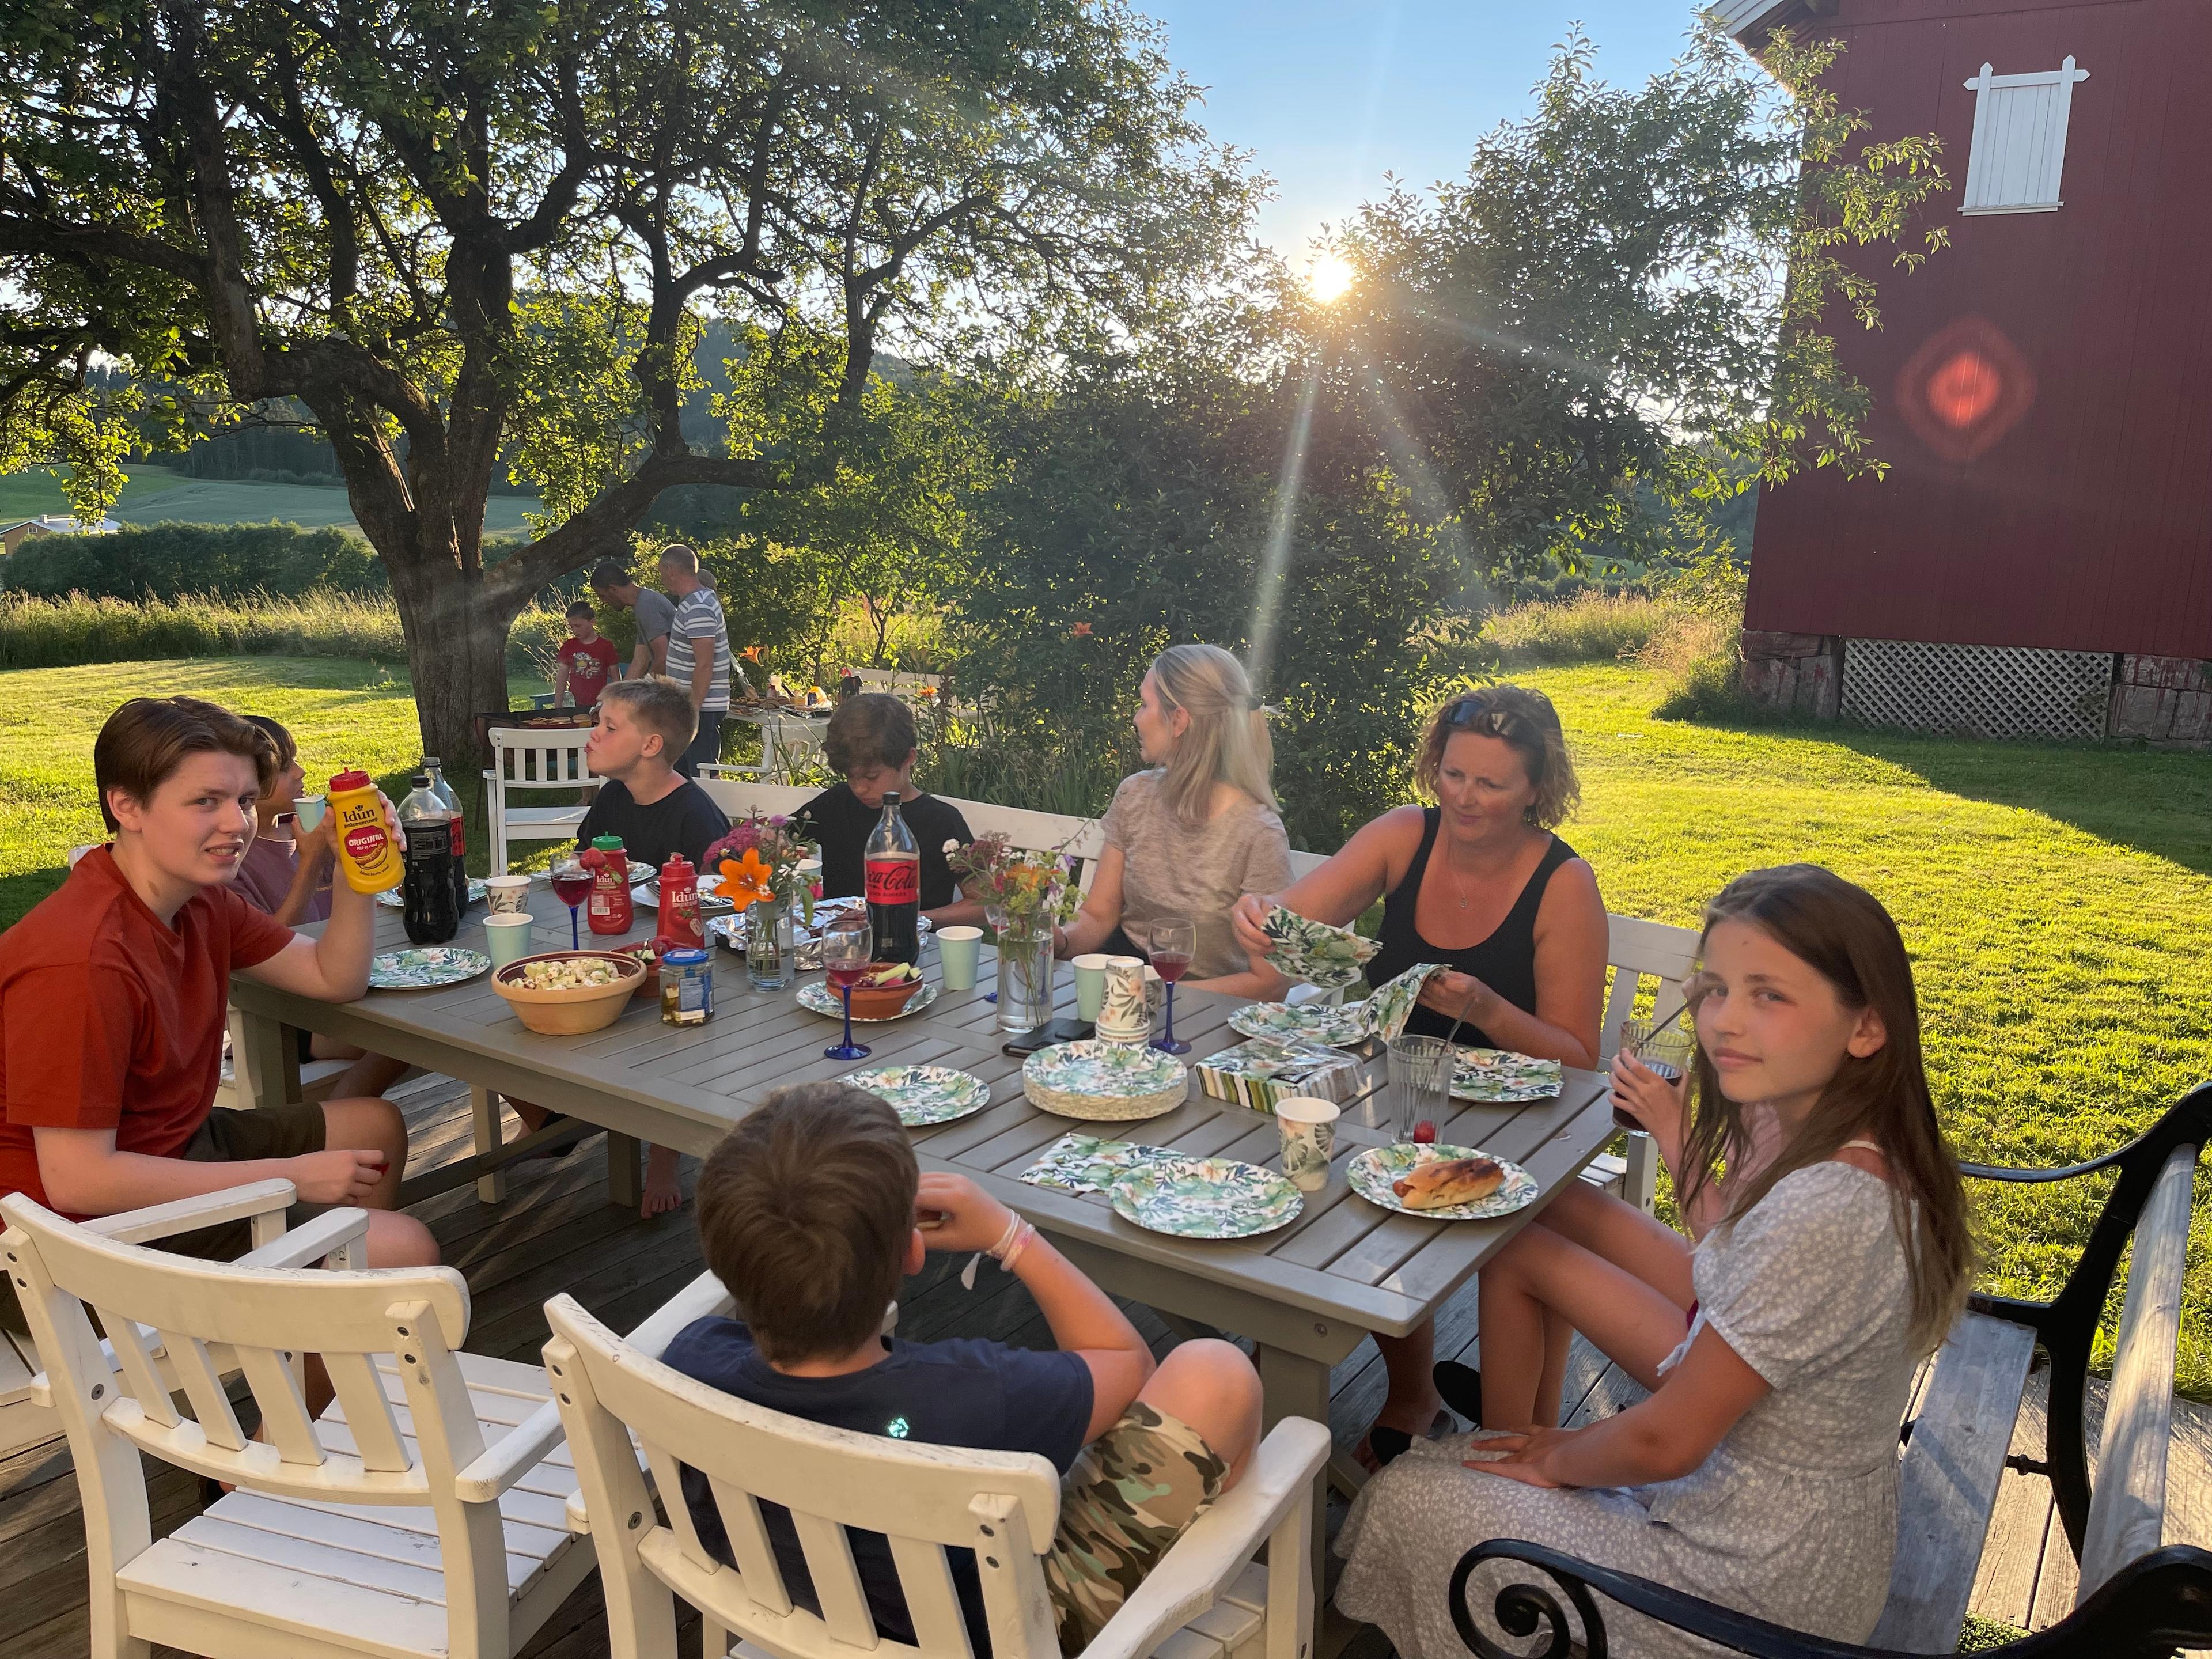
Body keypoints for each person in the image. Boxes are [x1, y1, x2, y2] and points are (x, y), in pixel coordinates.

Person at [1331, 866, 1977, 1659]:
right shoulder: (1821, 1122)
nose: (1725, 1021)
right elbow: (1729, 1251)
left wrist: (1560, 1457)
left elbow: (1667, 1443)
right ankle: (1503, 1465)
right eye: (1714, 989)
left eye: (1769, 995)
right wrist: (1549, 1457)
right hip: (1776, 1509)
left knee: (1411, 1499)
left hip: (1754, 1582)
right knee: (1521, 1282)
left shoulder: (1832, 1208)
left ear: (1866, 1027)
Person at [664, 1082, 1264, 1656]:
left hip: (796, 1598)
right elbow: (1128, 1365)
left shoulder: (690, 1363)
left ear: (721, 1255)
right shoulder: (977, 1399)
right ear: (913, 1250)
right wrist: (1011, 1234)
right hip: (998, 1636)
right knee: (1215, 1371)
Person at [1230, 684, 1607, 1468]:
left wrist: (1488, 1008)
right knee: (1300, 1168)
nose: (1465, 798)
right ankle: (1305, 1375)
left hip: (1514, 1122)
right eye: (1453, 774)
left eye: (1491, 784)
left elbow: (1576, 1056)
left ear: (1537, 789)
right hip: (1393, 1090)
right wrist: (1262, 919)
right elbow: (1291, 928)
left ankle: (1387, 1399)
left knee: (1371, 1183)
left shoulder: (1564, 884)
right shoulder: (1405, 836)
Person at [0, 696, 438, 1359]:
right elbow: (77, 1180)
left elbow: (331, 977)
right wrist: (287, 1178)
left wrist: (356, 874)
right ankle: (267, 1446)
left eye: (243, 799)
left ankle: (301, 1369)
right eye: (206, 801)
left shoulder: (197, 899)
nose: (237, 823)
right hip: (69, 1248)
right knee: (401, 1254)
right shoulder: (82, 962)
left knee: (374, 1129)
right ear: (126, 806)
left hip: (168, 1148)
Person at [504, 679, 729, 1219]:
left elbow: (717, 902)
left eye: (608, 726)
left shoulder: (693, 813)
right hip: (614, 937)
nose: (592, 735)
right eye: (596, 723)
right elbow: (587, 860)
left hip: (675, 959)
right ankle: (553, 1121)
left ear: (650, 746)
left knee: (665, 1024)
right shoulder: (612, 797)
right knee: (523, 1005)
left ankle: (664, 1153)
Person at [1056, 644, 1293, 1000]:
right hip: (1120, 985)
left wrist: (1152, 994)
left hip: (1207, 1005)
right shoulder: (1135, 795)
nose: (1136, 718)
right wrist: (1056, 941)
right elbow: (1099, 915)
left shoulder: (1258, 833)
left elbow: (1270, 983)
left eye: (1144, 704)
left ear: (1179, 720)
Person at [232, 715, 411, 1101]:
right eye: (283, 768)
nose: (300, 772)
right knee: (415, 1030)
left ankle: (544, 1130)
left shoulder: (306, 833)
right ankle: (342, 1118)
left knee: (435, 1011)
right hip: (284, 1015)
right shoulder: (234, 859)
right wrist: (311, 862)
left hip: (346, 985)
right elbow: (266, 947)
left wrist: (374, 844)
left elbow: (374, 892)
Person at [796, 693, 983, 929]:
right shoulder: (835, 803)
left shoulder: (941, 821)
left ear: (908, 758)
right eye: (851, 777)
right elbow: (779, 844)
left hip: (914, 951)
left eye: (872, 776)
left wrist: (914, 919)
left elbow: (984, 904)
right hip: (840, 949)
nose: (860, 788)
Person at [658, 541, 734, 778]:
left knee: (703, 778)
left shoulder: (697, 606)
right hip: (694, 704)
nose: (662, 579)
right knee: (685, 776)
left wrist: (693, 710)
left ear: (671, 570)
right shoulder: (698, 600)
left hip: (701, 706)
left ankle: (710, 815)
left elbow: (705, 663)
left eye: (662, 573)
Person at [590, 558, 677, 686]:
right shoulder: (642, 604)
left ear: (613, 589)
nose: (604, 602)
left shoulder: (647, 605)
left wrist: (639, 692)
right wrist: (618, 695)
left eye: (602, 596)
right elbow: (640, 663)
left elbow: (663, 659)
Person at [551, 599, 620, 708]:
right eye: (571, 627)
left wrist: (616, 703)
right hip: (575, 703)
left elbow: (616, 678)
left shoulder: (606, 646)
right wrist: (558, 705)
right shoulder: (569, 646)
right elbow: (562, 677)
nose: (574, 630)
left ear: (592, 622)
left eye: (578, 626)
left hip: (600, 703)